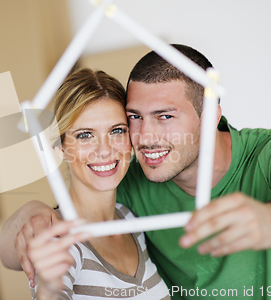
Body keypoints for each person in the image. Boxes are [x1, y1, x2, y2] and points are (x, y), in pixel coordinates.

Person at [0, 45, 271, 300]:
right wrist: (30, 213)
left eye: (164, 116)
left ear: (209, 117)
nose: (145, 137)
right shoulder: (130, 184)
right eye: (135, 117)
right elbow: (23, 254)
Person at [27, 68, 170, 299]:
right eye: (85, 135)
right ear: (60, 148)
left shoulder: (129, 220)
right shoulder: (58, 239)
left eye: (116, 131)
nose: (104, 150)